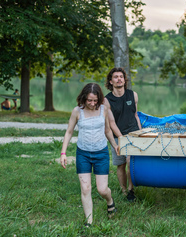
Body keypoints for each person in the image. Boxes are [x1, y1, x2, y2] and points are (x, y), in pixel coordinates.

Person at [60, 83, 119, 226]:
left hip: (101, 153)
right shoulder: (77, 111)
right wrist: (63, 152)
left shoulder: (103, 110)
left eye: (95, 100)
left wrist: (115, 145)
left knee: (102, 189)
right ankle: (89, 222)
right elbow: (69, 132)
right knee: (85, 188)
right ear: (84, 98)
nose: (93, 104)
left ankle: (110, 201)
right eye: (89, 100)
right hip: (83, 154)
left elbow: (107, 130)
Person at [105, 67, 141, 202]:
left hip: (133, 134)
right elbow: (111, 123)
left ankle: (131, 190)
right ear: (111, 81)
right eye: (115, 77)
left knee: (130, 161)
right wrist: (121, 138)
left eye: (121, 76)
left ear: (124, 80)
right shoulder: (106, 100)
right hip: (117, 136)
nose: (119, 79)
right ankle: (124, 190)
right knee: (120, 164)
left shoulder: (133, 95)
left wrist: (140, 132)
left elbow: (135, 115)